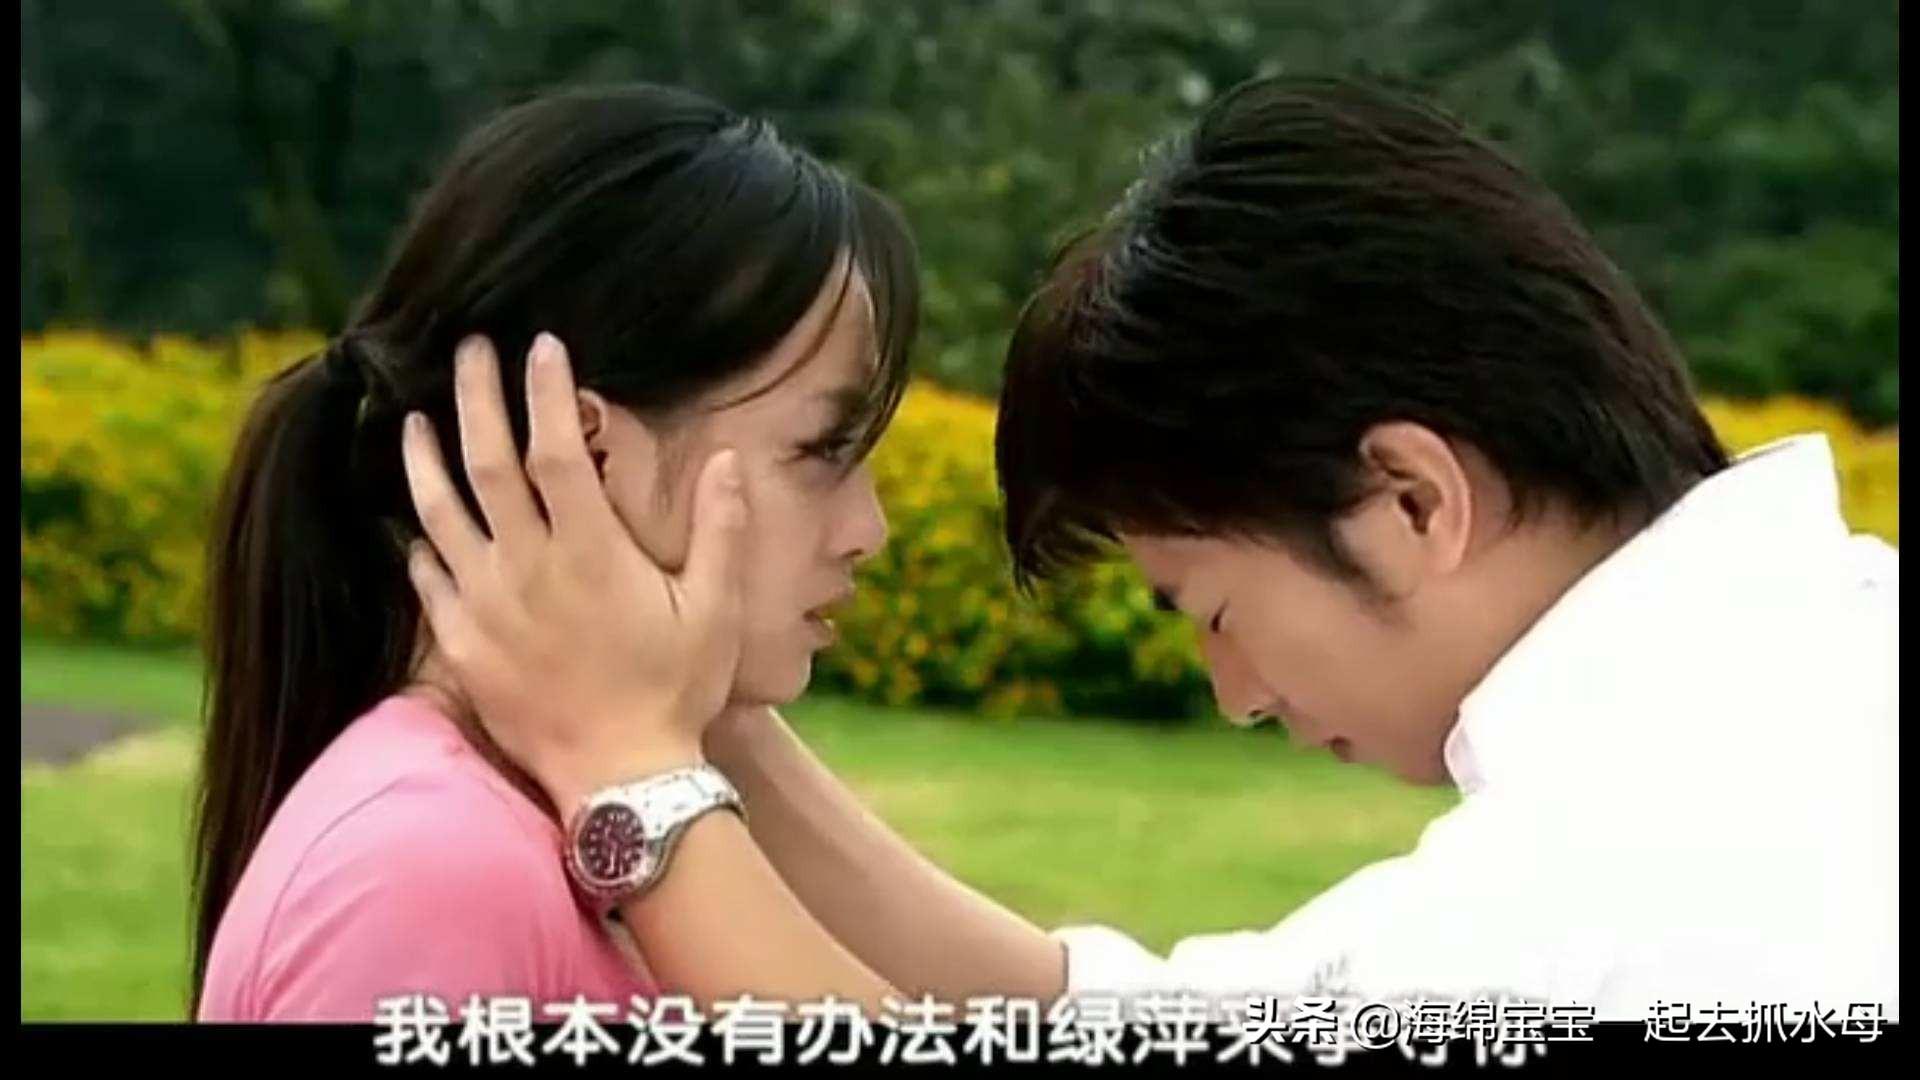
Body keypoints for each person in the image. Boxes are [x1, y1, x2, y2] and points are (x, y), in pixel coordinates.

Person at [403, 75, 1899, 1027]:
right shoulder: (1793, 690)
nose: (1234, 696)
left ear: (1409, 500)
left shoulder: (1643, 874)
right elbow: (1107, 1015)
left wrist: (631, 773)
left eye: (1211, 608)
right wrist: (701, 695)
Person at [191, 83, 919, 1021]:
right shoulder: (428, 868)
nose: (869, 528)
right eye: (822, 449)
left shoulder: (575, 832)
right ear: (583, 454)